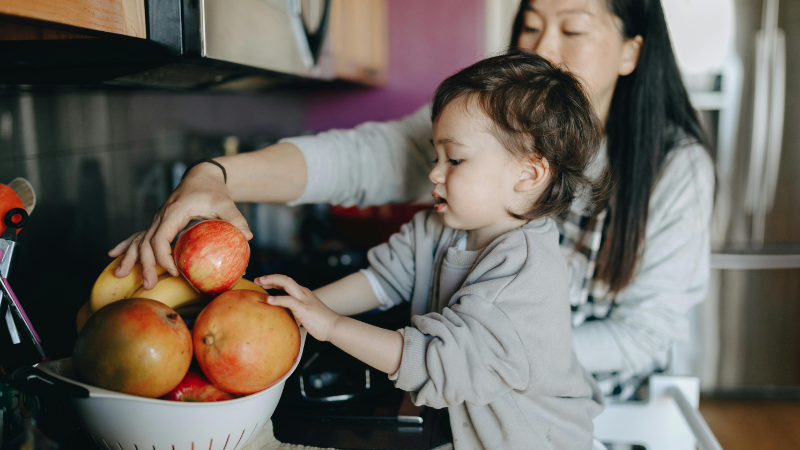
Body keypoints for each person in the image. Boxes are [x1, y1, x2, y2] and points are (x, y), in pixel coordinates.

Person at [110, 0, 715, 396]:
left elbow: (642, 334)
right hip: (459, 392)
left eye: (573, 28)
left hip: (583, 408)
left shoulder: (673, 168)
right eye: (530, 23)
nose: (542, 45)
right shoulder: (476, 139)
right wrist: (215, 175)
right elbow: (359, 162)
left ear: (633, 50)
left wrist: (496, 347)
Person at [257, 50, 606, 450]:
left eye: (455, 159)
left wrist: (331, 326)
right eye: (437, 155)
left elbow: (432, 360)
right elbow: (382, 280)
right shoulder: (437, 229)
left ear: (527, 174)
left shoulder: (523, 274)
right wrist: (303, 310)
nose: (434, 172)